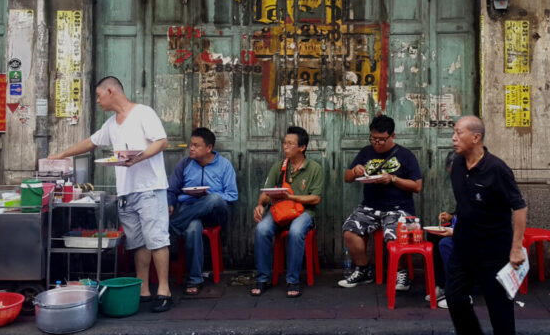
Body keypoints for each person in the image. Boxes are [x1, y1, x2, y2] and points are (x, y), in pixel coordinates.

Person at [48, 76, 173, 312]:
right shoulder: (111, 124)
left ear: (110, 91)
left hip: (149, 188)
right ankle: (143, 289)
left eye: (98, 96)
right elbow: (91, 143)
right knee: (138, 243)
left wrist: (138, 158)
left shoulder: (143, 113)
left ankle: (164, 290)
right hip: (126, 191)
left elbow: (162, 142)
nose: (98, 101)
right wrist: (62, 155)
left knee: (157, 240)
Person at [444, 116, 527, 335]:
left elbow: (520, 207)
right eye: (454, 132)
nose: (453, 138)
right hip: (463, 246)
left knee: (499, 308)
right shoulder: (457, 165)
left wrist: (516, 248)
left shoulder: (497, 169)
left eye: (458, 133)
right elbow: (467, 202)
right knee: (454, 296)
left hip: (493, 249)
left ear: (476, 137)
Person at [339, 115, 422, 290]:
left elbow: (417, 186)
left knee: (395, 237)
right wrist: (354, 172)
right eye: (373, 138)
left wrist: (393, 179)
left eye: (382, 139)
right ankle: (364, 269)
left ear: (393, 136)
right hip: (370, 207)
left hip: (400, 208)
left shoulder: (406, 155)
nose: (377, 143)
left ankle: (402, 272)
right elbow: (347, 178)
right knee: (349, 231)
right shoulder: (366, 152)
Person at [250, 126, 323, 298]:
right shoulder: (279, 167)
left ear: (302, 147)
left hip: (304, 212)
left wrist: (292, 197)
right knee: (262, 229)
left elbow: (315, 199)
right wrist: (260, 205)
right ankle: (263, 278)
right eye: (284, 143)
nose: (285, 146)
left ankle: (293, 280)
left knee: (296, 231)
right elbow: (266, 193)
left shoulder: (314, 168)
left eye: (290, 144)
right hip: (280, 210)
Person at [167, 127, 238, 296]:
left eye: (196, 145)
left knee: (213, 199)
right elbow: (172, 190)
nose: (191, 148)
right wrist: (170, 203)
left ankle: (174, 225)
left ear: (209, 148)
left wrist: (207, 195)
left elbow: (232, 195)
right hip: (191, 209)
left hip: (214, 213)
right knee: (192, 229)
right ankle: (195, 280)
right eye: (191, 145)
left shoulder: (224, 165)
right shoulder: (185, 164)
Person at [428, 150, 458, 309]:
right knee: (434, 236)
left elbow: (480, 220)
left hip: (479, 235)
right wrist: (451, 217)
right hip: (465, 229)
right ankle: (442, 285)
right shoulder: (463, 185)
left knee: (446, 243)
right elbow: (464, 213)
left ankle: (458, 291)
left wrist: (456, 232)